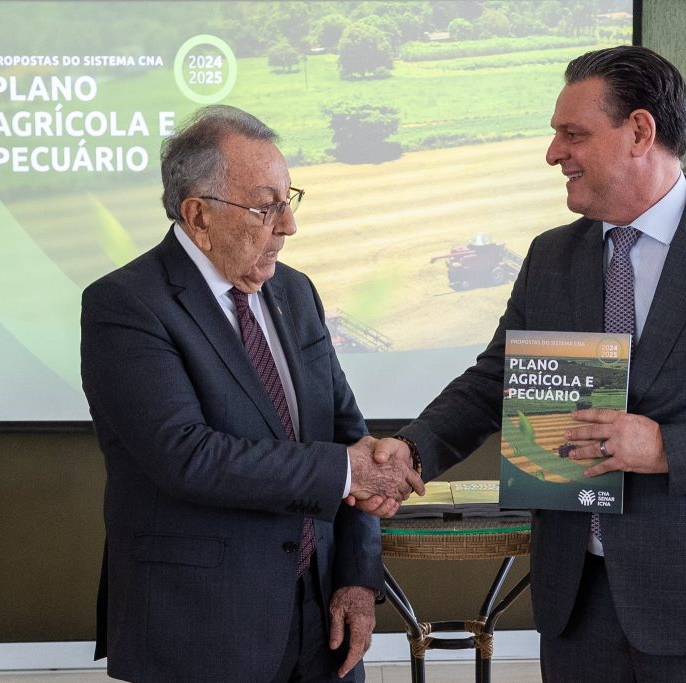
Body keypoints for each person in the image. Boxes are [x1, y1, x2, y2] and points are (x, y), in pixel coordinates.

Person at [365, 46, 686, 681]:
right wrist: (412, 451)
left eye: (574, 134)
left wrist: (664, 446)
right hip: (578, 598)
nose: (553, 153)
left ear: (640, 131)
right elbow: (493, 381)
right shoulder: (550, 257)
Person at [80, 105, 422, 682]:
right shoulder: (126, 305)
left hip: (322, 621)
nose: (288, 226)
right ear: (198, 215)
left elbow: (348, 434)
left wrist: (358, 579)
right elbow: (187, 456)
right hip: (201, 626)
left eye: (290, 201)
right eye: (266, 207)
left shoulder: (296, 291)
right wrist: (348, 471)